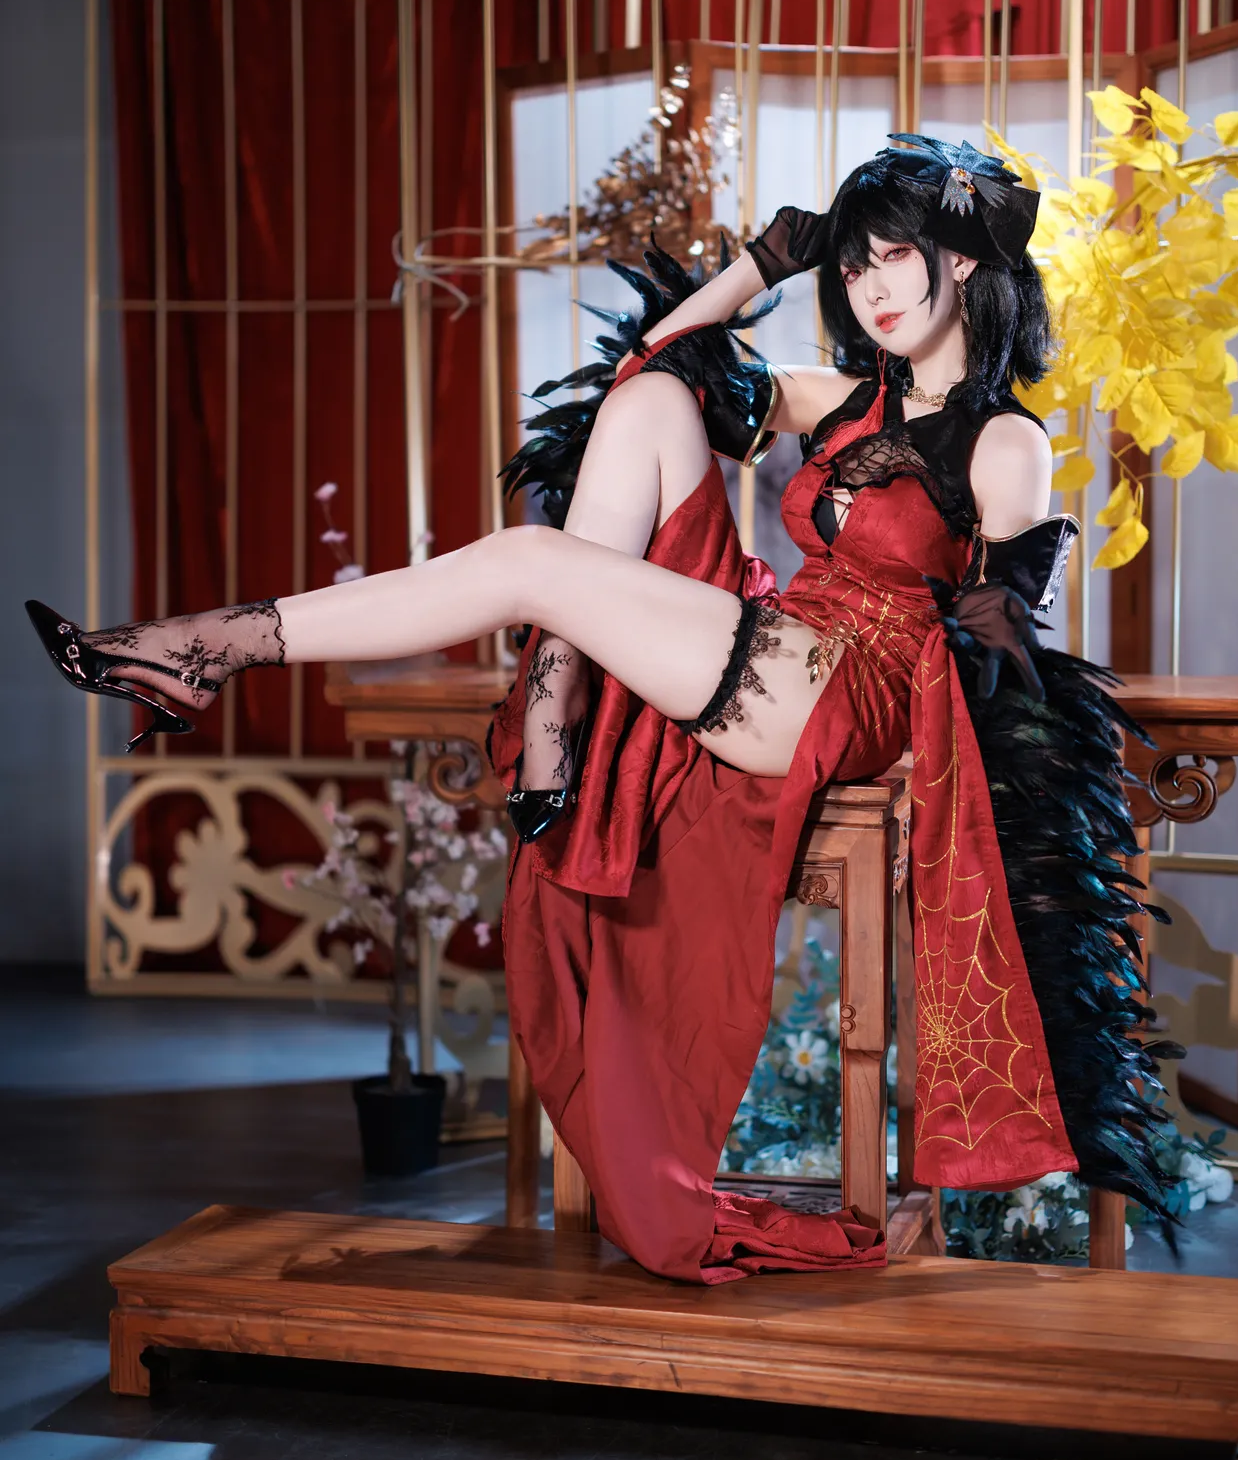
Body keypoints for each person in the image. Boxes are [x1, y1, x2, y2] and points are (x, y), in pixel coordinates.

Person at [28, 135, 1175, 1283]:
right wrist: (755, 266)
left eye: (891, 258)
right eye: (850, 263)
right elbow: (651, 367)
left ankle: (251, 653)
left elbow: (1001, 648)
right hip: (776, 638)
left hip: (856, 684)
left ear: (962, 262)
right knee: (649, 404)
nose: (865, 286)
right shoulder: (837, 400)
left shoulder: (1004, 441)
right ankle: (507, 683)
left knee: (531, 559)